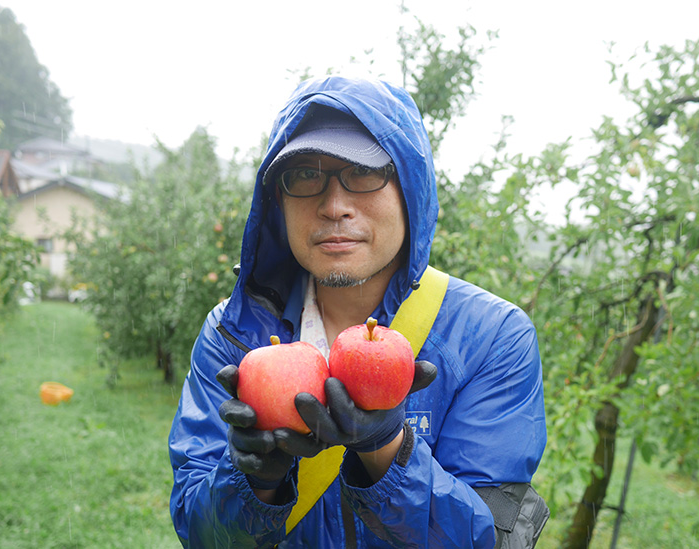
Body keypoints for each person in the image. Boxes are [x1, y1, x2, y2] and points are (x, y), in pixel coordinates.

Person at [168, 76, 547, 548]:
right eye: (305, 175)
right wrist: (252, 480)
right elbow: (201, 536)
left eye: (363, 172)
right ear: (277, 201)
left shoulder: (491, 337)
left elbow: (495, 540)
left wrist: (388, 449)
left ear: (410, 188)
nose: (334, 206)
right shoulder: (234, 334)